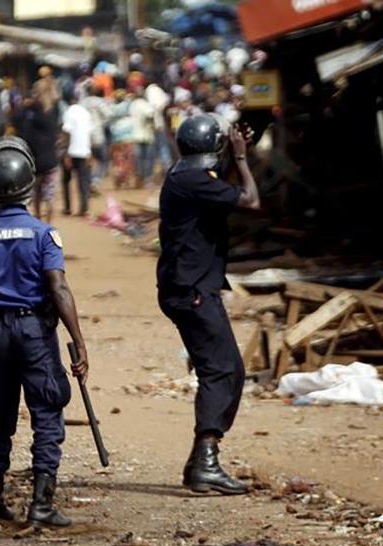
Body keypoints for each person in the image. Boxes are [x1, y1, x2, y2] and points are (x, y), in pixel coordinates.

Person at [0, 137, 89, 527]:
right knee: (47, 411)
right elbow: (59, 288)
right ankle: (42, 503)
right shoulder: (43, 234)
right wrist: (79, 343)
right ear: (30, 181)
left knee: (1, 415)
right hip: (34, 332)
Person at [156, 114, 259, 495]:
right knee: (221, 371)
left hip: (189, 287)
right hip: (192, 291)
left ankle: (203, 458)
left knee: (227, 368)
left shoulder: (184, 176)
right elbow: (249, 199)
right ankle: (206, 460)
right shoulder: (194, 181)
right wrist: (243, 159)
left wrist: (238, 149)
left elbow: (221, 184)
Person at [19, 99, 60, 223]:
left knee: (36, 194)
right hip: (51, 164)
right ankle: (49, 222)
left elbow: (25, 143)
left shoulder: (28, 125)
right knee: (50, 196)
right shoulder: (50, 122)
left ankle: (37, 219)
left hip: (36, 166)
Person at [61, 94, 94, 215]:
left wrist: (66, 153)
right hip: (84, 151)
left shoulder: (68, 112)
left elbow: (67, 133)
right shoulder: (86, 113)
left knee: (66, 180)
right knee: (83, 181)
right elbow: (90, 134)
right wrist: (90, 152)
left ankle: (68, 207)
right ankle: (84, 208)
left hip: (72, 151)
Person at [129, 85, 157, 187]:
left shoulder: (132, 105)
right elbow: (151, 115)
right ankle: (147, 179)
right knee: (148, 159)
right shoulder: (145, 104)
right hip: (147, 135)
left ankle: (139, 178)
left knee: (139, 159)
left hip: (136, 135)